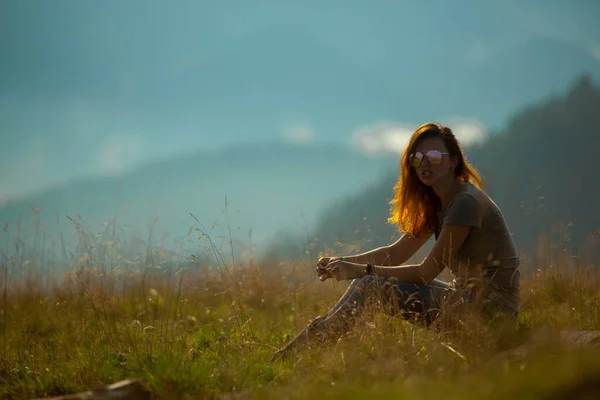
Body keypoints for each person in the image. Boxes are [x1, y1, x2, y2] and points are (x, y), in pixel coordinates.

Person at [271, 122, 521, 361]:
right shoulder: (440, 202)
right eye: (417, 158)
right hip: (465, 299)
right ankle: (302, 348)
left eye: (434, 156)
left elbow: (426, 272)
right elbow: (397, 252)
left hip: (490, 313)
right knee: (368, 283)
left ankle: (302, 350)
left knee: (371, 286)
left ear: (453, 161)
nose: (425, 163)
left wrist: (361, 270)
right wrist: (342, 262)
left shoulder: (464, 203)